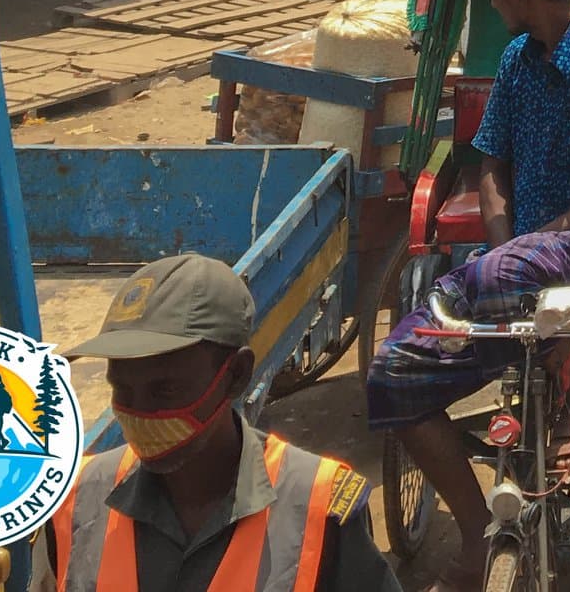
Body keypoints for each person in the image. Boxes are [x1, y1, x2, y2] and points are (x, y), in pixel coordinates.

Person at [366, 0, 570, 591]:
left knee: (511, 273)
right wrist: (504, 243)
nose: (493, 8)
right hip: (515, 263)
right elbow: (490, 165)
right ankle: (477, 531)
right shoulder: (515, 62)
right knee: (389, 377)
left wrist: (543, 235)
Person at [48, 254, 398, 592]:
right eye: (122, 389)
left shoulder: (320, 508)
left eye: (164, 390)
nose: (138, 412)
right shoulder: (76, 499)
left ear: (235, 375)